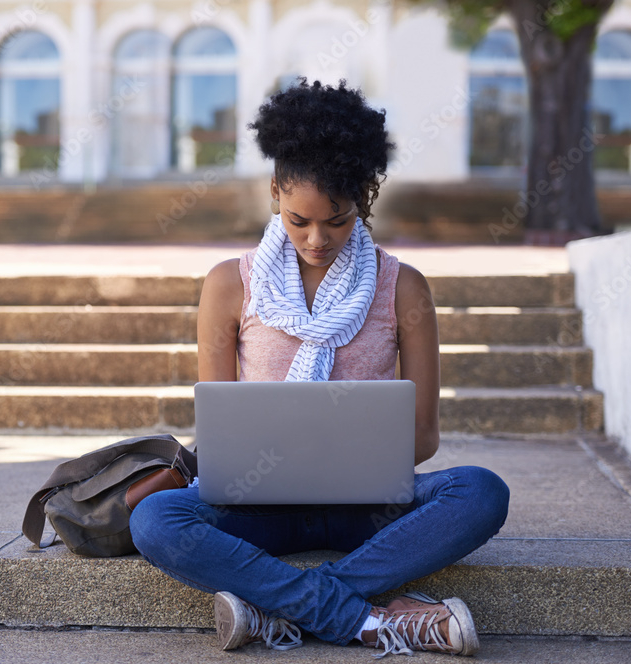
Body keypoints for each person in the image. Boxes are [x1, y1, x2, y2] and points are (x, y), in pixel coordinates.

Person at [129, 79, 510, 658]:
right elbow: (219, 433)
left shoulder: (403, 287)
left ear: (363, 198)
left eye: (337, 220)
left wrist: (347, 457)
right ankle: (370, 620)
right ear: (275, 190)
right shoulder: (229, 284)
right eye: (298, 219)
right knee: (156, 519)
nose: (316, 239)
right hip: (259, 506)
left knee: (481, 491)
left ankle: (279, 608)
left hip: (370, 508)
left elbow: (425, 439)